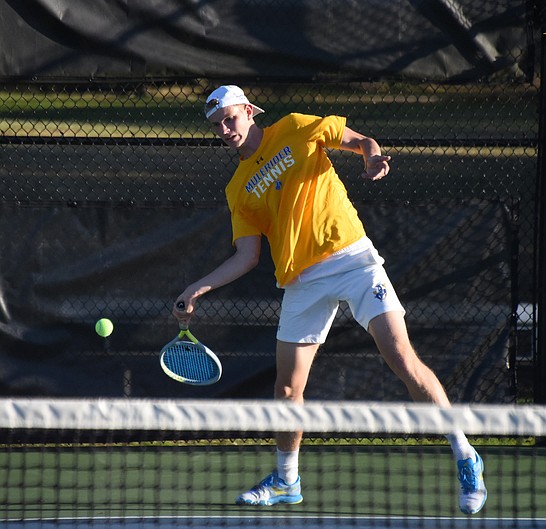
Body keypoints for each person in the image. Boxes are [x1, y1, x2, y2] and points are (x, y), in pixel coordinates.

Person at [172, 85, 487, 514]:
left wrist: (372, 158)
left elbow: (359, 141)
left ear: (248, 111)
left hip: (353, 259)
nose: (225, 129)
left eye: (230, 118)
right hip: (302, 281)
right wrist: (197, 288)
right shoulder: (238, 188)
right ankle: (286, 480)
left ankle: (466, 454)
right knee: (287, 389)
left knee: (402, 359)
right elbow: (247, 256)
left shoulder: (297, 128)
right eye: (217, 125)